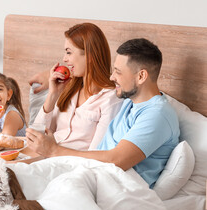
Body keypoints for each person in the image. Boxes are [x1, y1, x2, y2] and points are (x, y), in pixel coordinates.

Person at [26, 38, 180, 188]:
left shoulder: (157, 115)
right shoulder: (129, 101)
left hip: (118, 188)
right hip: (94, 176)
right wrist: (50, 76)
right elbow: (95, 78)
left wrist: (54, 151)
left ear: (141, 76)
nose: (112, 77)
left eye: (118, 72)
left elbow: (117, 159)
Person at [30, 23, 124, 151]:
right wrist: (52, 95)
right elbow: (36, 136)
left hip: (72, 164)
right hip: (43, 156)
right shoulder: (68, 88)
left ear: (90, 56)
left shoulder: (111, 99)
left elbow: (96, 154)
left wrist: (54, 151)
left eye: (69, 53)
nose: (65, 59)